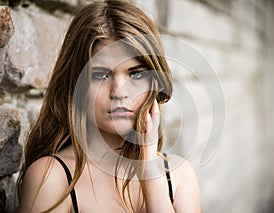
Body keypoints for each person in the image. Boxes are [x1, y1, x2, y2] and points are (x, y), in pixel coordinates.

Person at [17, 0, 201, 212]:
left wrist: (151, 172)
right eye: (101, 75)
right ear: (75, 84)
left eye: (136, 74)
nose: (119, 92)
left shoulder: (179, 177)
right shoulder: (51, 177)